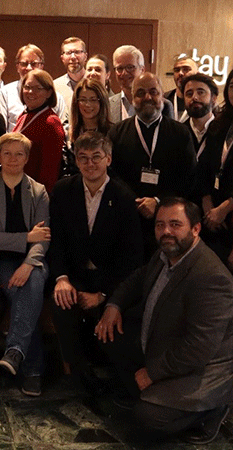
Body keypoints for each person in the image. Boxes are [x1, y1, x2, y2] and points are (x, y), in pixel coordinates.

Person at [95, 198, 233, 444]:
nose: (166, 231)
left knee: (147, 418)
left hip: (202, 367)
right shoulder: (166, 253)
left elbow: (199, 348)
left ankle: (211, 411)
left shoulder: (212, 277)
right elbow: (137, 279)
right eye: (160, 225)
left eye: (175, 224)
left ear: (196, 229)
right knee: (107, 333)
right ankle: (155, 393)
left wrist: (153, 373)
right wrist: (113, 306)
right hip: (164, 342)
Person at [49, 132, 143, 396]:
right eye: (84, 158)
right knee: (62, 305)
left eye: (96, 157)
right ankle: (79, 376)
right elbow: (56, 242)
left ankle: (114, 378)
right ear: (76, 161)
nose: (90, 163)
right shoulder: (63, 190)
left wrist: (102, 294)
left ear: (108, 159)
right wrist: (62, 278)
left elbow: (131, 257)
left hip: (109, 278)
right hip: (74, 274)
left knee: (118, 317)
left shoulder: (124, 196)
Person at [0, 132, 50, 397]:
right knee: (26, 294)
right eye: (7, 153)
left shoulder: (39, 191)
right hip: (0, 260)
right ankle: (32, 370)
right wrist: (27, 237)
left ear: (27, 158)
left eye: (19, 154)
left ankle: (15, 352)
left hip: (33, 260)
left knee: (30, 284)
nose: (13, 159)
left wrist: (29, 264)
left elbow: (44, 239)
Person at [107, 72, 195, 254]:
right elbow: (111, 174)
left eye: (153, 92)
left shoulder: (180, 133)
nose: (147, 97)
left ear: (162, 95)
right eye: (140, 93)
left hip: (169, 217)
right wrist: (136, 202)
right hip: (128, 216)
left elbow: (188, 176)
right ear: (132, 98)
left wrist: (158, 201)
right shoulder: (116, 133)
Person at [194, 69, 233, 267]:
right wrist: (207, 202)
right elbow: (204, 167)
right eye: (232, 86)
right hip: (213, 215)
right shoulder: (220, 124)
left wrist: (226, 208)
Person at [0, 44, 68, 132]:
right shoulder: (5, 93)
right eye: (24, 64)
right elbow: (0, 130)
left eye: (34, 64)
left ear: (41, 66)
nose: (29, 68)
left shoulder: (56, 97)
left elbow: (62, 129)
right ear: (17, 67)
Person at [13, 69, 66, 192]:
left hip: (33, 193)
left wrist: (40, 197)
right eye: (27, 87)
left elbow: (50, 170)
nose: (31, 92)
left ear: (48, 93)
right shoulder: (24, 115)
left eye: (38, 88)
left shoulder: (51, 122)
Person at [108, 45, 174, 123]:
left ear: (142, 70)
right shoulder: (108, 104)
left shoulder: (162, 104)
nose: (124, 73)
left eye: (130, 67)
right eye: (120, 68)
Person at [182, 73, 217, 157]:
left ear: (213, 98)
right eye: (189, 94)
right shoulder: (178, 133)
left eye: (201, 92)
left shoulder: (224, 131)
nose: (194, 97)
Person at [70, 78, 113, 145]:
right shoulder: (69, 132)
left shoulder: (113, 132)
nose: (87, 104)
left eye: (93, 100)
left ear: (102, 102)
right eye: (83, 100)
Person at [53, 37, 88, 108]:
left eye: (77, 52)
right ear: (62, 58)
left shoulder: (96, 82)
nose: (73, 57)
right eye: (68, 53)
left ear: (85, 56)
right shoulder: (55, 86)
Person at [164, 55, 199, 122]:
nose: (180, 73)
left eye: (186, 69)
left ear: (197, 74)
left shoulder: (204, 102)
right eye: (177, 70)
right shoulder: (163, 100)